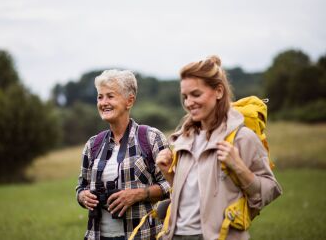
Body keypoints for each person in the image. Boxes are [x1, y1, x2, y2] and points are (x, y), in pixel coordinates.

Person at [156, 55, 282, 240]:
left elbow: (270, 191)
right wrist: (169, 174)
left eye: (196, 94)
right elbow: (196, 195)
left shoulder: (242, 138)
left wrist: (239, 167)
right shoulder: (184, 139)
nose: (189, 102)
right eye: (185, 96)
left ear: (219, 91)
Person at [76, 69, 170, 240]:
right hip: (97, 235)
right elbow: (81, 186)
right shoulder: (93, 144)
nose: (103, 102)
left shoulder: (151, 138)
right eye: (100, 97)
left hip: (143, 235)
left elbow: (172, 186)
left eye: (110, 96)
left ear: (129, 101)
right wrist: (83, 197)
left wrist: (138, 194)